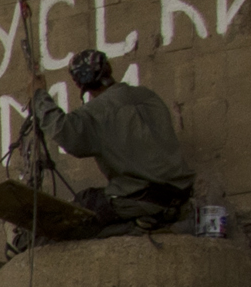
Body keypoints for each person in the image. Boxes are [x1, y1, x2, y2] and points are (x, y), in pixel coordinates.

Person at [25, 48, 193, 230]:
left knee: (79, 211)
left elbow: (64, 132)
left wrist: (39, 95)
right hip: (180, 195)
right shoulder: (148, 96)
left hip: (143, 200)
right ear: (108, 69)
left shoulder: (97, 112)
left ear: (79, 84)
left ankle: (136, 226)